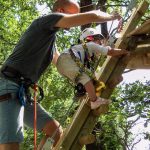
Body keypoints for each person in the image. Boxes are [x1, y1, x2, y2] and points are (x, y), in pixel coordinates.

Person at [0, 0, 123, 150]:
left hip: (23, 92)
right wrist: (111, 16)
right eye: (74, 14)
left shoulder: (50, 40)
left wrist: (85, 78)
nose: (76, 19)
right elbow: (93, 15)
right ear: (60, 10)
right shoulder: (45, 20)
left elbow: (60, 63)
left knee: (55, 132)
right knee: (11, 143)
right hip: (7, 85)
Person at [56, 27, 129, 109]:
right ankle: (94, 101)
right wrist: (125, 52)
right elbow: (110, 52)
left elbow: (92, 75)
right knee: (85, 77)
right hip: (67, 59)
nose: (101, 44)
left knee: (85, 78)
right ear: (90, 38)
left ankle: (89, 96)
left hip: (62, 66)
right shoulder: (91, 45)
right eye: (99, 41)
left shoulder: (85, 57)